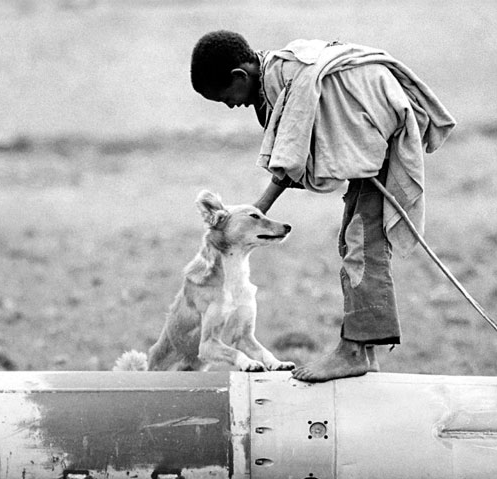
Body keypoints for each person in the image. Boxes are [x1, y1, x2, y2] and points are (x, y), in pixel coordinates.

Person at [190, 30, 456, 382]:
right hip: (375, 136)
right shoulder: (276, 76)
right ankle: (365, 352)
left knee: (362, 247)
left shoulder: (284, 76)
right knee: (352, 242)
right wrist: (259, 209)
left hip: (380, 132)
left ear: (240, 77)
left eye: (227, 97)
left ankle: (353, 353)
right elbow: (299, 144)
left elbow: (293, 150)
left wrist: (258, 208)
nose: (232, 105)